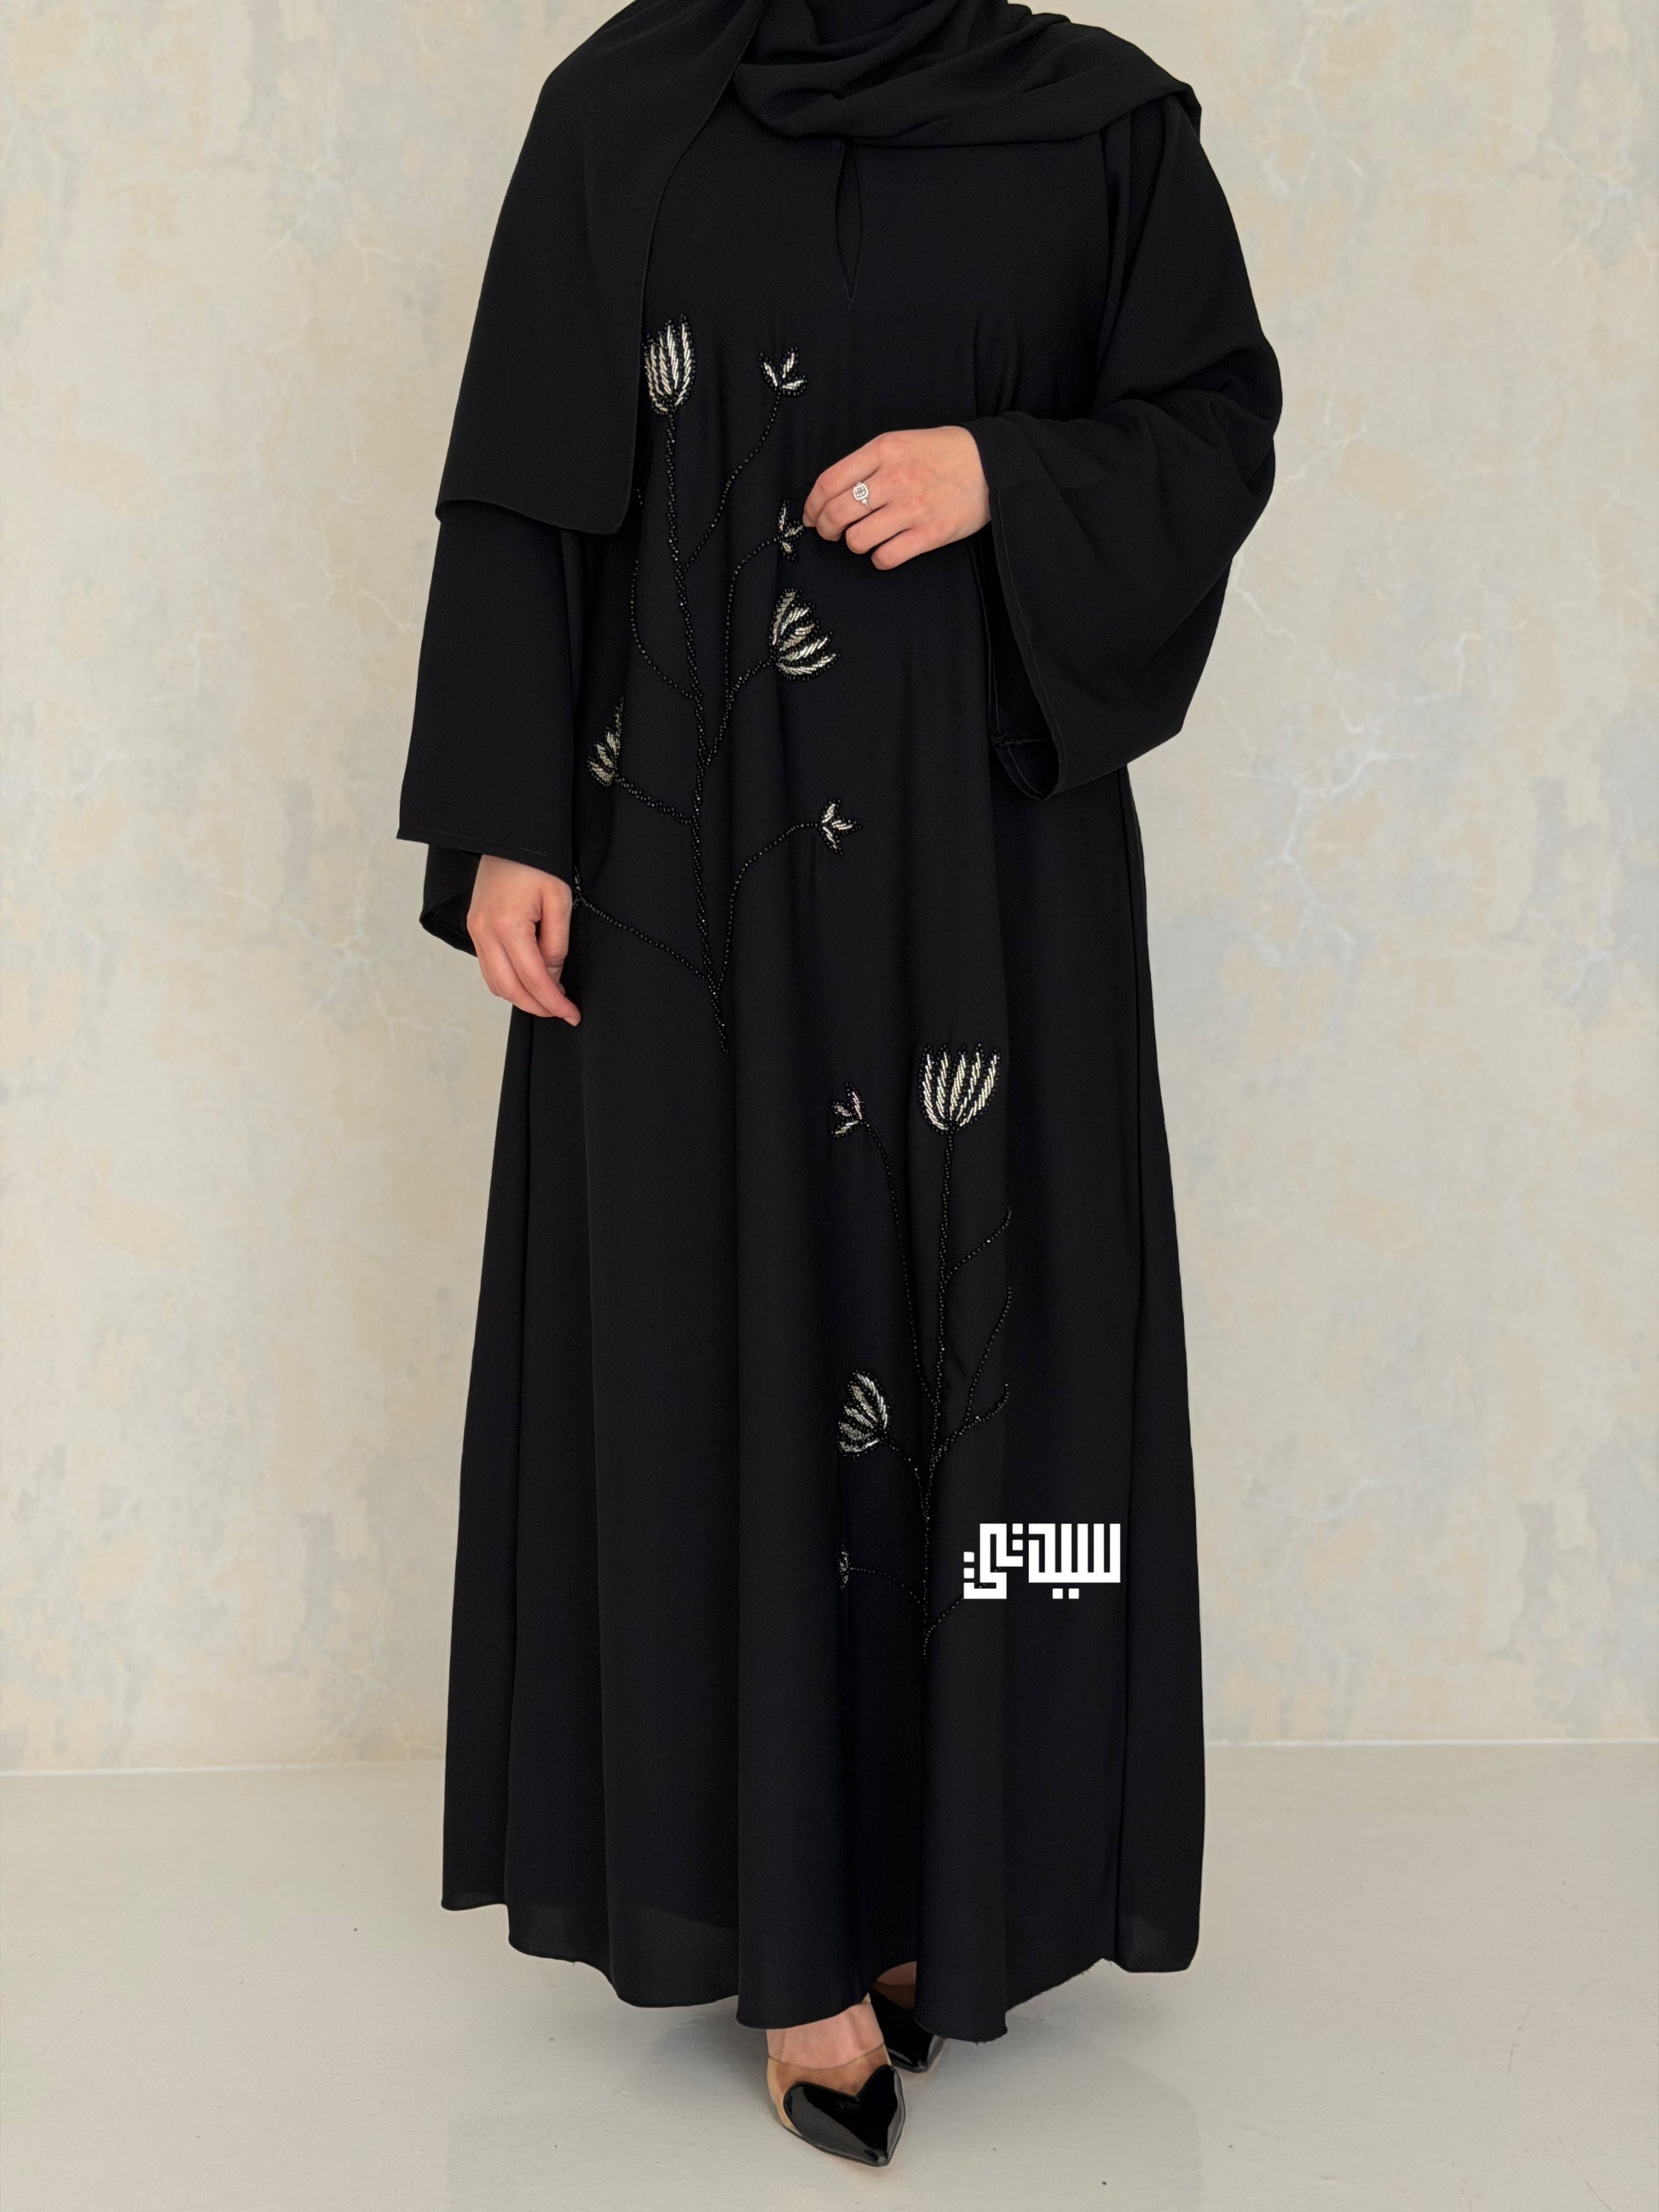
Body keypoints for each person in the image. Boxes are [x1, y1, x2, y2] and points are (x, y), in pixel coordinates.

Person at [398, 0, 1280, 2167]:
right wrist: (506, 818)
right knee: (717, 1350)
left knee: (997, 1359)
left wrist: (1005, 474)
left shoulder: (1101, 126)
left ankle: (941, 1891)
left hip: (987, 868)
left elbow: (1210, 426)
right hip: (687, 873)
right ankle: (791, 1950)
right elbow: (522, 477)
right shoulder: (622, 111)